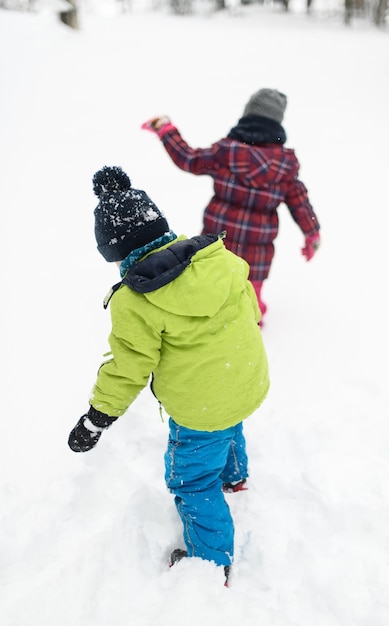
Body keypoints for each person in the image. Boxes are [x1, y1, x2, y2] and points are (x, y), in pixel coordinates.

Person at [68, 166, 269, 584]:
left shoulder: (137, 301)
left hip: (199, 405)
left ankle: (212, 561)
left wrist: (97, 418)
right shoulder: (220, 260)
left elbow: (128, 368)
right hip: (245, 379)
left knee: (191, 480)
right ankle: (235, 477)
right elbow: (249, 311)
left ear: (116, 253)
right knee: (227, 423)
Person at [141, 87, 321, 322]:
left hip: (217, 242)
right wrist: (312, 235)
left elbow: (188, 158)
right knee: (250, 297)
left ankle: (203, 319)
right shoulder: (285, 167)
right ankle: (248, 323)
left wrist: (166, 130)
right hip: (257, 254)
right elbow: (301, 204)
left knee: (206, 285)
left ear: (247, 118)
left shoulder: (226, 153)